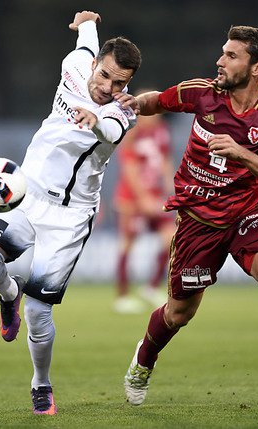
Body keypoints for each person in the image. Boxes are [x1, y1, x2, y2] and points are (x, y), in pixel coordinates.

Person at [121, 25, 258, 415]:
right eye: (223, 52)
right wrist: (131, 104)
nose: (220, 60)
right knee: (178, 313)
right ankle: (144, 360)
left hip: (248, 211)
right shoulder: (201, 92)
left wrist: (241, 154)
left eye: (231, 56)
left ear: (257, 68)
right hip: (198, 218)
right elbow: (157, 102)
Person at [0, 11, 141, 415]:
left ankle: (41, 384)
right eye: (105, 76)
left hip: (70, 216)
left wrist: (97, 119)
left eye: (120, 82)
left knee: (38, 310)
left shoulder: (122, 111)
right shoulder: (76, 63)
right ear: (96, 63)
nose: (109, 87)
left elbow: (114, 131)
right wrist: (86, 19)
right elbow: (85, 36)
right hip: (27, 194)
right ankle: (7, 294)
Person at [113, 97, 175, 313]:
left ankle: (151, 287)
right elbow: (129, 168)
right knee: (128, 242)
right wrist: (142, 199)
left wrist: (170, 185)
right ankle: (122, 296)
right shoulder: (131, 133)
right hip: (132, 198)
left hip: (155, 195)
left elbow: (165, 159)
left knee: (170, 237)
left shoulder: (162, 130)